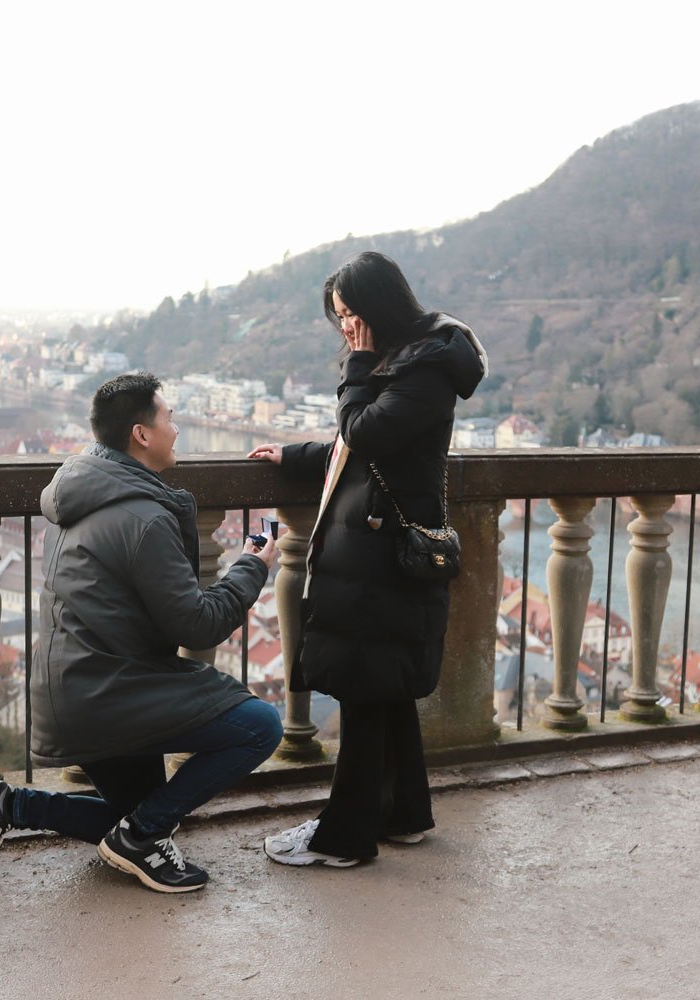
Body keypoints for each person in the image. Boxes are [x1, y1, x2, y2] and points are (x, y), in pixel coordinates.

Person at [0, 371, 281, 893]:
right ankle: (142, 836)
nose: (177, 429)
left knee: (137, 817)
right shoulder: (142, 517)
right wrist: (252, 566)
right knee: (261, 726)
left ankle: (7, 803)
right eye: (169, 418)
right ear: (141, 435)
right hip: (110, 692)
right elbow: (197, 624)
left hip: (76, 686)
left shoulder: (81, 489)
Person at [248, 250, 487, 867]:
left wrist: (356, 364)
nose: (347, 328)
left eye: (352, 315)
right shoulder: (409, 363)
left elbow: (366, 432)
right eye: (340, 319)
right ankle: (404, 815)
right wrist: (297, 457)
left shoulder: (428, 367)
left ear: (379, 307)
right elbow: (364, 441)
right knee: (383, 693)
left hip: (385, 559)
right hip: (376, 552)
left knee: (363, 695)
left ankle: (345, 837)